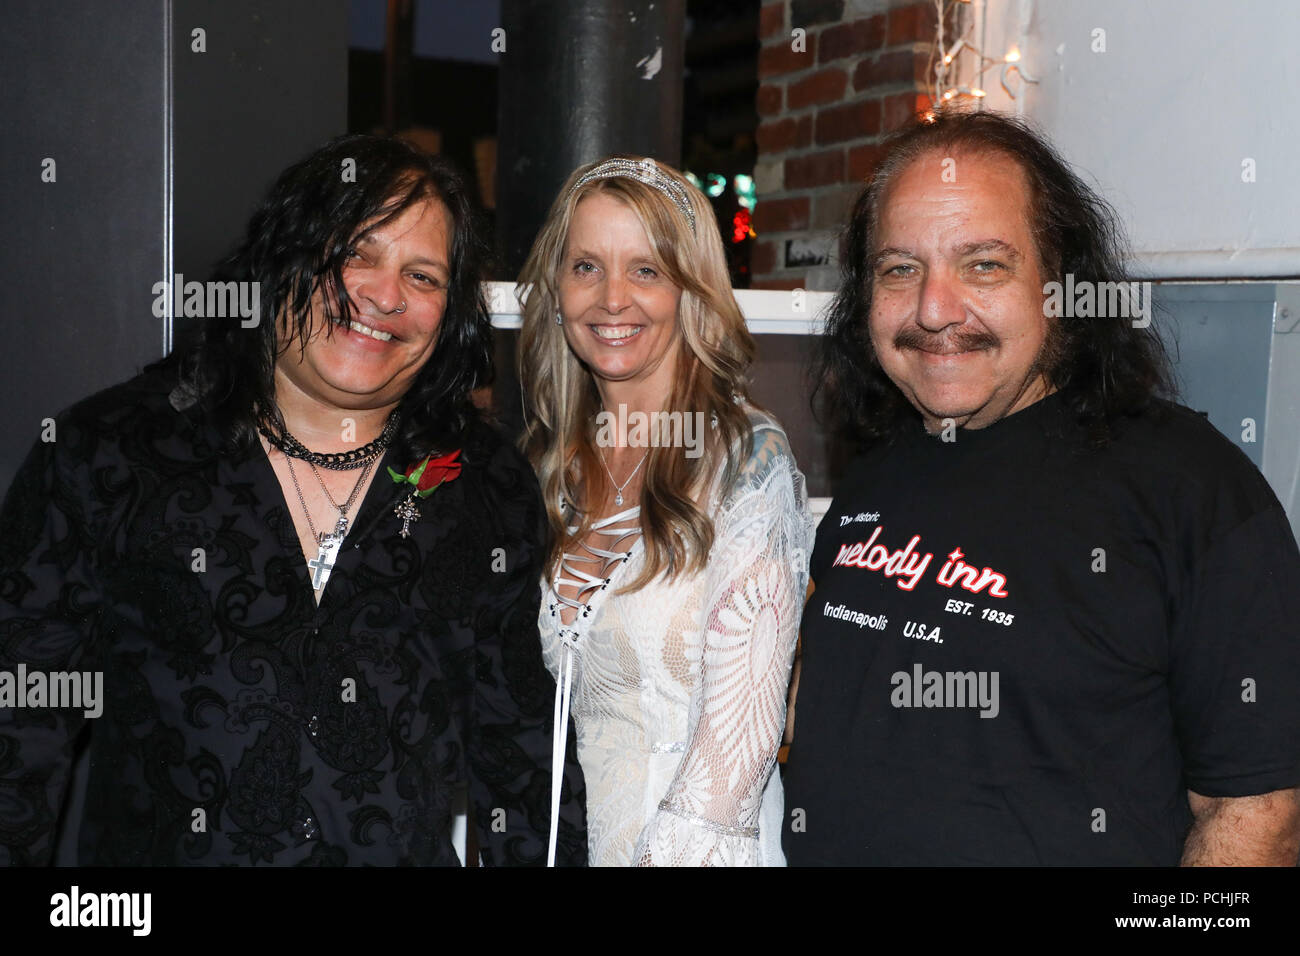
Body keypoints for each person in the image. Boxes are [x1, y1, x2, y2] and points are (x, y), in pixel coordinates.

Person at [0, 134, 586, 866]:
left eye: (425, 276)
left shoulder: (484, 482)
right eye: (357, 254)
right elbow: (19, 730)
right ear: (284, 257)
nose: (385, 294)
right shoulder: (109, 451)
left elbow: (525, 760)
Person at [783, 109, 1300, 866]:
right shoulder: (876, 471)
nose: (934, 309)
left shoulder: (1193, 487)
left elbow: (1260, 814)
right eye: (900, 269)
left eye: (983, 264)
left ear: (1061, 284)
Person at [518, 156, 815, 866]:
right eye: (586, 266)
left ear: (693, 291)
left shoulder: (747, 458)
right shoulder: (551, 471)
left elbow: (734, 756)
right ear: (557, 291)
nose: (612, 298)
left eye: (647, 270)